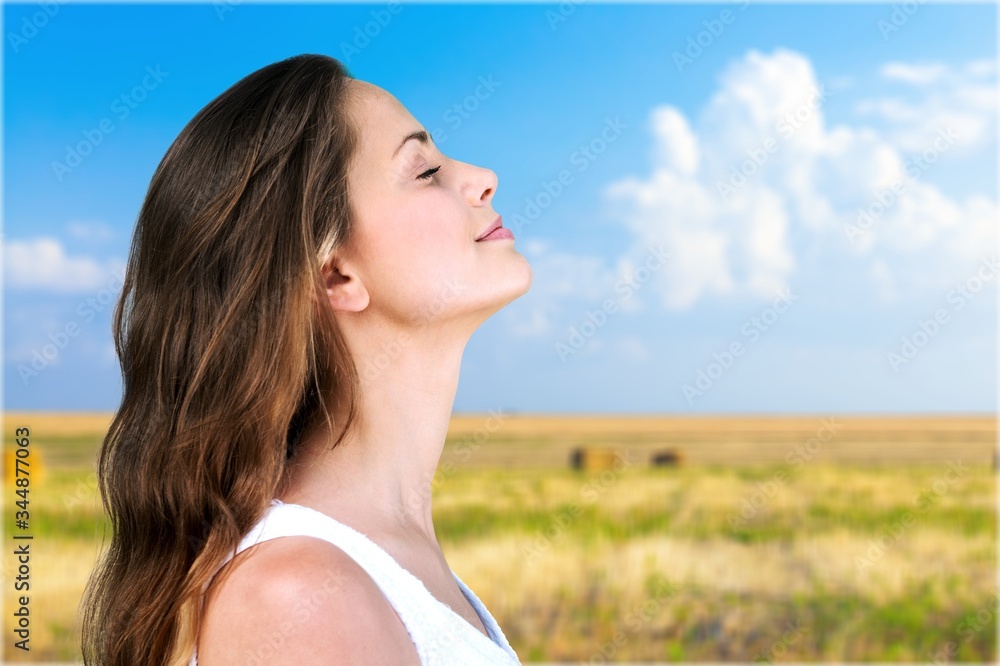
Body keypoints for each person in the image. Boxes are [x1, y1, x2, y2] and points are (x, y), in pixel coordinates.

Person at [80, 53, 531, 666]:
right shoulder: (297, 598)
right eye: (424, 170)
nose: (483, 177)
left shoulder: (371, 562)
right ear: (334, 274)